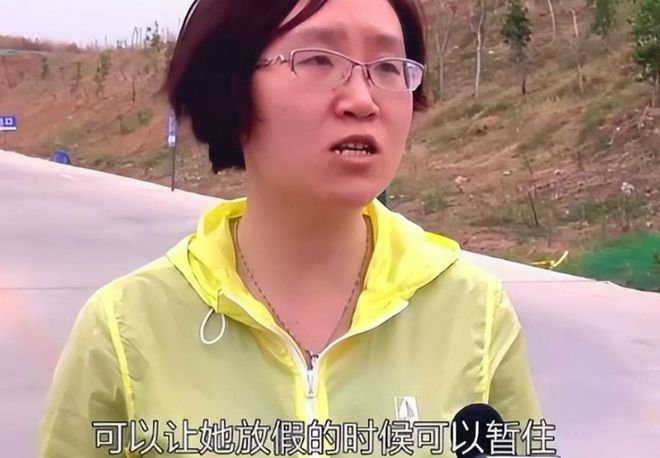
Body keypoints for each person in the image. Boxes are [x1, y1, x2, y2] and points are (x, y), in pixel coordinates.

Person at [39, 0, 542, 456]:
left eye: (389, 66)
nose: (362, 99)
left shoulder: (473, 312)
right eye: (319, 59)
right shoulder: (126, 329)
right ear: (231, 85)